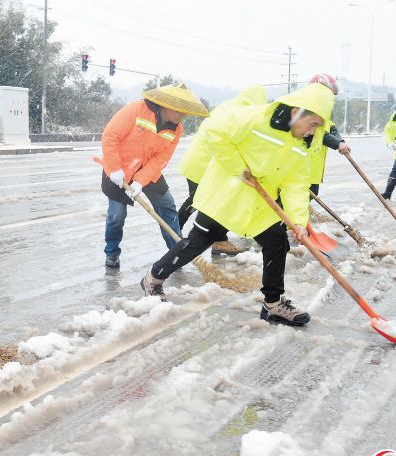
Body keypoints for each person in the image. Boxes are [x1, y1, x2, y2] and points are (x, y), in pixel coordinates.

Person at [140, 83, 335, 326]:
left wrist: (297, 219)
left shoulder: (303, 143)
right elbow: (214, 132)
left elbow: (296, 182)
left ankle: (273, 303)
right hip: (226, 195)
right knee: (196, 243)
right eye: (313, 123)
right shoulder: (255, 117)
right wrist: (239, 168)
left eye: (318, 126)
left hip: (260, 205)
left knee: (276, 242)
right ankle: (153, 278)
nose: (312, 131)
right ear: (298, 112)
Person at [95, 83, 208, 269]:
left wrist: (140, 181)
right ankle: (112, 252)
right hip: (118, 171)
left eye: (186, 112)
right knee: (117, 215)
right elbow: (110, 136)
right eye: (179, 111)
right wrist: (114, 168)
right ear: (166, 105)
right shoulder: (136, 110)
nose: (183, 116)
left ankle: (177, 254)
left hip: (147, 170)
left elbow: (161, 158)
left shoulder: (176, 129)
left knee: (167, 206)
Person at [176, 84, 267, 256]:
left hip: (205, 160)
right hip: (204, 163)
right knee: (198, 202)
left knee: (217, 203)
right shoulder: (240, 113)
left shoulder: (231, 106)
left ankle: (219, 240)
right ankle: (174, 232)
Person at [307, 73, 351, 197]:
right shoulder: (308, 107)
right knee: (295, 203)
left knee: (309, 197)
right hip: (302, 168)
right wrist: (337, 144)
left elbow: (330, 127)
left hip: (313, 170)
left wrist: (341, 141)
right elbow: (316, 132)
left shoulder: (321, 108)